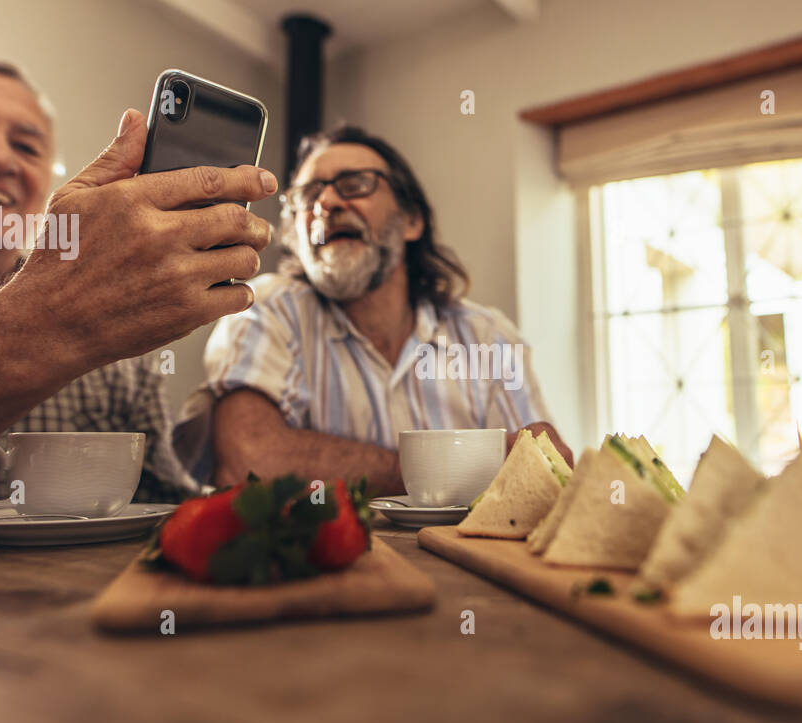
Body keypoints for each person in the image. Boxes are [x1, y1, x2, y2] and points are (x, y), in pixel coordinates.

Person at [0, 56, 277, 536]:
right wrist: (48, 320)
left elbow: (159, 506)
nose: (0, 159)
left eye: (26, 145)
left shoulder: (120, 337)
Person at [177, 125, 571, 494]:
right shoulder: (266, 309)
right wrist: (441, 469)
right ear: (294, 237)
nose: (326, 202)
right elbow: (250, 463)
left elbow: (542, 469)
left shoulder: (488, 337)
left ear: (411, 221)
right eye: (307, 196)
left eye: (354, 185)